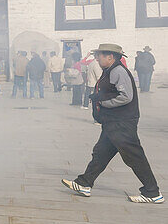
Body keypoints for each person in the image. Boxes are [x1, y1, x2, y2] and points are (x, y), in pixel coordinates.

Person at [63, 43, 162, 204]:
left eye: (99, 55)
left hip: (122, 122)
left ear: (111, 57)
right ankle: (84, 183)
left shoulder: (118, 71)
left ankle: (152, 192)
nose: (97, 58)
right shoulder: (110, 70)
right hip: (114, 122)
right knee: (101, 152)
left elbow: (126, 96)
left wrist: (103, 103)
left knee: (134, 156)